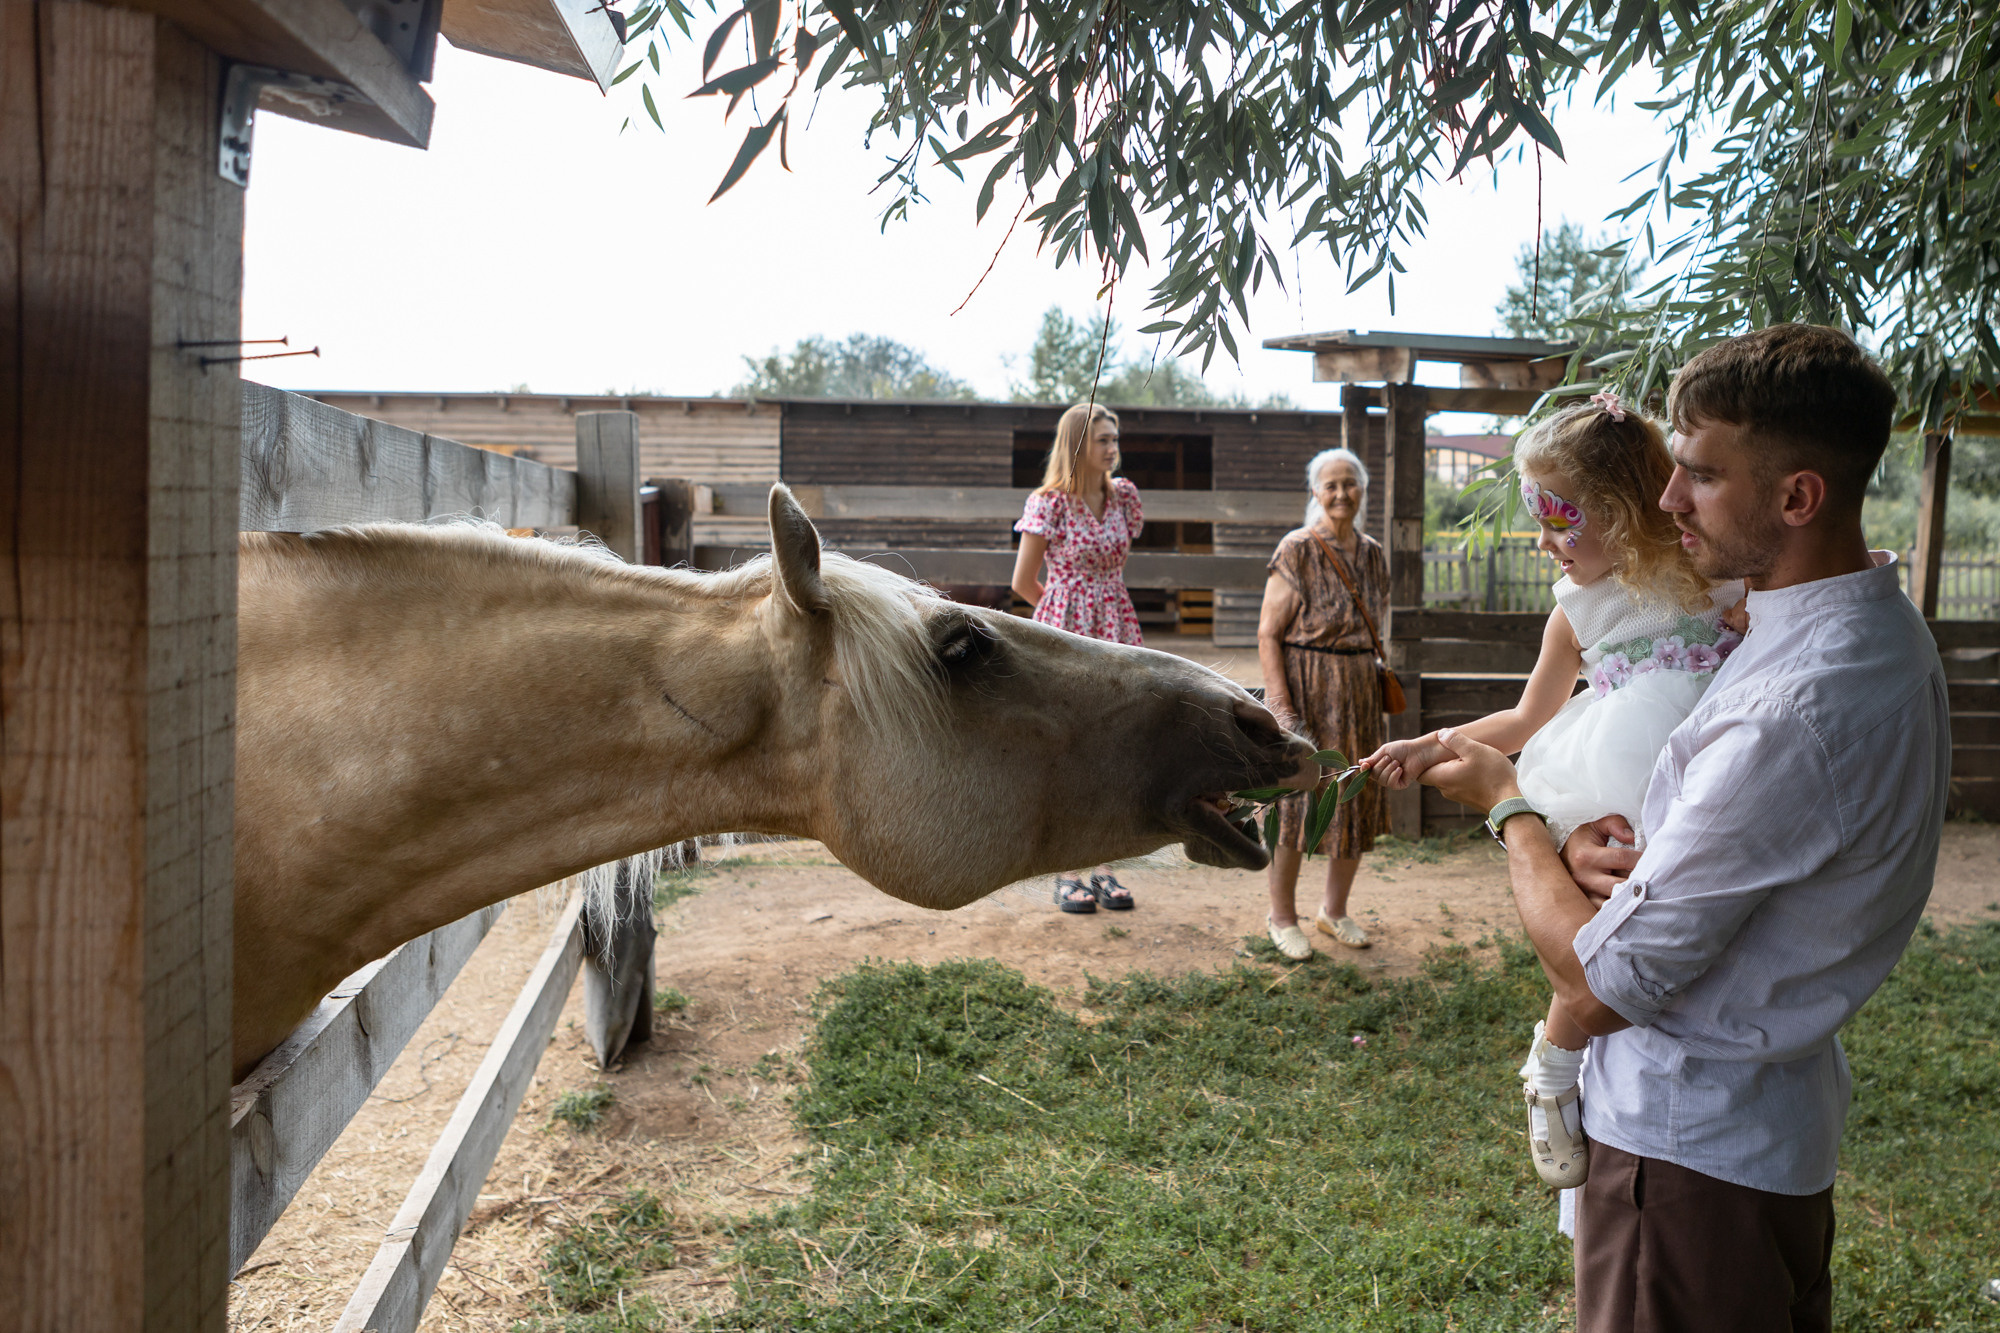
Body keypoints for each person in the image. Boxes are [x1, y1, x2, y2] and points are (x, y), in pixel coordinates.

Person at [1415, 324, 1950, 1333]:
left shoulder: (1793, 704)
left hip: (1687, 1161)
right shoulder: (1852, 631)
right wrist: (1591, 845)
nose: (1666, 498)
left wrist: (1510, 810)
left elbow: (1604, 980)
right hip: (1764, 1134)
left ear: (1796, 497)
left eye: (1698, 475)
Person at [1364, 393, 1746, 1200]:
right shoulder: (1575, 611)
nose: (1541, 540)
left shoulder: (1717, 577)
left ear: (1615, 509)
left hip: (1707, 771)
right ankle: (1554, 1063)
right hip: (1614, 770)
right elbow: (1529, 715)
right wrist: (1428, 744)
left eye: (1557, 518)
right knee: (1604, 917)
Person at [1255, 447, 1389, 960]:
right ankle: (1281, 916)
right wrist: (1280, 701)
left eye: (1349, 483)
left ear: (1362, 490)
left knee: (1353, 792)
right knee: (1294, 802)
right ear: (1314, 492)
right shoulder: (1297, 549)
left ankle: (1333, 911)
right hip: (1307, 687)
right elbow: (1268, 633)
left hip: (1357, 689)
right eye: (1329, 485)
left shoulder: (1374, 553)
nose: (1340, 494)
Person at [1012, 402, 1145, 913]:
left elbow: (1116, 565)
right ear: (1077, 446)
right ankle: (1066, 869)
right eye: (1103, 441)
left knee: (1114, 742)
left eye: (1115, 439)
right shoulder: (1049, 503)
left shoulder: (1124, 498)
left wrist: (1100, 603)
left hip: (1117, 625)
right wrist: (1063, 609)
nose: (1113, 449)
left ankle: (1105, 864)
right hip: (1064, 630)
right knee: (1067, 744)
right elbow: (1023, 583)